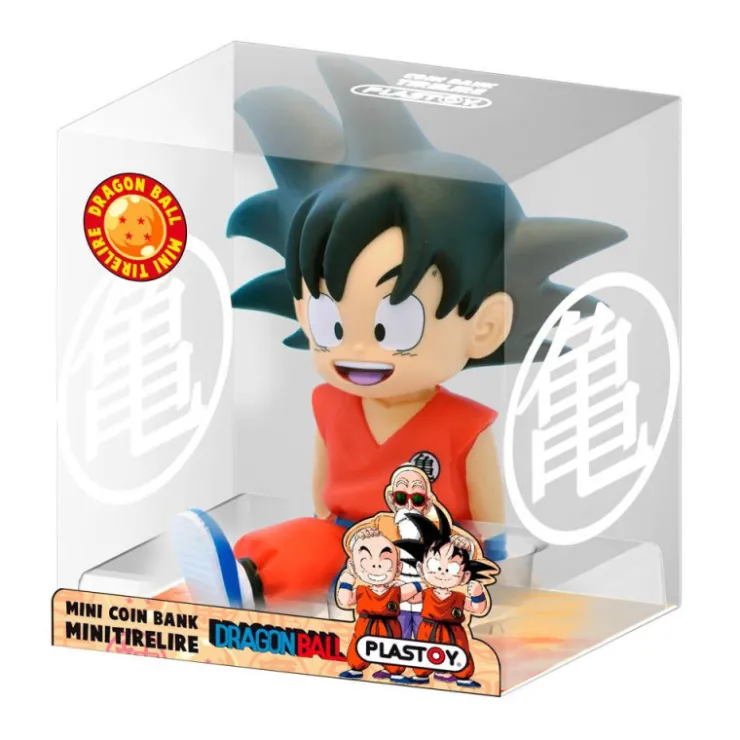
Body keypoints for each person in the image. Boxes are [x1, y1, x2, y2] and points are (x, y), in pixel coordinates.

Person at [173, 56, 626, 611]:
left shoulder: (465, 426)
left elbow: (488, 517)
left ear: (486, 326)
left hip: (432, 554)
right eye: (330, 322)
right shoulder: (330, 403)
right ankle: (243, 580)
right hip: (349, 539)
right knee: (294, 546)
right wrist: (323, 529)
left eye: (395, 323)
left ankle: (276, 586)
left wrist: (496, 567)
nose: (356, 349)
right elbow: (322, 493)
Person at [398, 506, 498, 689]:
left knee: (459, 651)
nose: (442, 572)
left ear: (465, 576)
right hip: (427, 629)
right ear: (421, 569)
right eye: (434, 565)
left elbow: (478, 609)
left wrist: (477, 594)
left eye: (452, 568)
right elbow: (408, 599)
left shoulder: (458, 597)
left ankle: (461, 675)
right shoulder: (426, 593)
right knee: (423, 650)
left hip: (453, 631)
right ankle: (421, 673)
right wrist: (410, 587)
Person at [335, 519, 422, 682]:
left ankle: (395, 671)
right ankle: (356, 668)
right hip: (365, 625)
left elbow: (415, 590)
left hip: (390, 627)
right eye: (365, 560)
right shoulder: (362, 591)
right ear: (354, 566)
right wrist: (347, 580)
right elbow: (345, 600)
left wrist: (425, 580)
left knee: (393, 648)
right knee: (358, 646)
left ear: (398, 567)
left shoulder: (395, 590)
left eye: (385, 559)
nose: (376, 565)